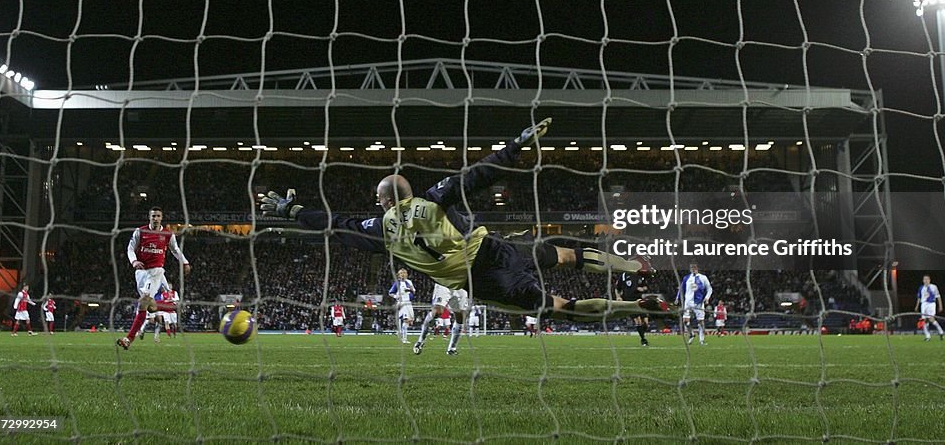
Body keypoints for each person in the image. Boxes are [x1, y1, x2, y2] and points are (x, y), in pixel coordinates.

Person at [259, 118, 666, 321]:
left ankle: (633, 307)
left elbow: (337, 226)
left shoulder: (381, 229)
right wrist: (513, 149)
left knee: (559, 306)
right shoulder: (432, 198)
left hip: (481, 280)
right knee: (562, 255)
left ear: (383, 202)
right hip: (497, 249)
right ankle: (629, 265)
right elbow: (476, 176)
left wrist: (293, 212)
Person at [117, 206, 191, 350]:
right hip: (140, 273)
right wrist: (134, 261)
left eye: (158, 216)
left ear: (161, 218)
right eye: (153, 216)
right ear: (149, 217)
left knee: (143, 301)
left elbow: (175, 250)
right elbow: (130, 248)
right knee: (150, 307)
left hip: (156, 272)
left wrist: (185, 262)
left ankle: (129, 338)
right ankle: (173, 307)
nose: (155, 218)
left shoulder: (168, 234)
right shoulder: (140, 231)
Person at [414, 283, 470, 355]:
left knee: (461, 317)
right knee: (437, 312)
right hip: (444, 282)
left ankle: (452, 348)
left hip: (460, 285)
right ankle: (420, 341)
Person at [676, 263, 713, 346]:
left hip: (699, 303)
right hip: (688, 302)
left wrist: (707, 298)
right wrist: (677, 298)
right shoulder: (686, 278)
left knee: (700, 322)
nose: (693, 269)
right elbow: (681, 288)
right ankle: (691, 334)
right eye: (691, 268)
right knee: (685, 321)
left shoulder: (703, 278)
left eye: (694, 267)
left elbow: (709, 289)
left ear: (697, 268)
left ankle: (702, 340)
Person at [614, 269, 651, 346]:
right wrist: (618, 297)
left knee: (646, 323)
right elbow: (617, 288)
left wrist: (642, 289)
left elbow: (646, 287)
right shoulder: (624, 275)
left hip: (639, 301)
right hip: (629, 302)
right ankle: (643, 340)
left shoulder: (640, 275)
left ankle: (641, 332)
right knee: (638, 321)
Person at [389, 268, 416, 344]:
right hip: (402, 302)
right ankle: (404, 339)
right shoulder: (397, 283)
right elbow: (390, 292)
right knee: (406, 319)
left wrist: (411, 290)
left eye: (405, 273)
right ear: (399, 275)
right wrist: (396, 296)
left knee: (410, 321)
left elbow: (414, 291)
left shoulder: (409, 282)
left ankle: (400, 333)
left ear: (407, 274)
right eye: (401, 273)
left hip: (409, 303)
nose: (403, 274)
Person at [914, 275, 943, 341]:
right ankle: (927, 336)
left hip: (931, 304)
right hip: (924, 304)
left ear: (929, 280)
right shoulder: (921, 288)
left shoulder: (934, 287)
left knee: (931, 319)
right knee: (923, 320)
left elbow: (938, 296)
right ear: (923, 280)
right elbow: (919, 298)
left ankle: (941, 332)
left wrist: (940, 305)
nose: (926, 281)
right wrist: (917, 306)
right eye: (924, 279)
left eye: (927, 279)